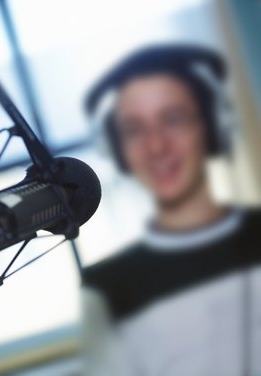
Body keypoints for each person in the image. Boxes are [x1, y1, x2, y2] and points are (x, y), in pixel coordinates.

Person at [81, 44, 261, 376]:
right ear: (118, 151)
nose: (156, 146)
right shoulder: (106, 289)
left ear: (212, 127)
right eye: (134, 130)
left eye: (173, 119)